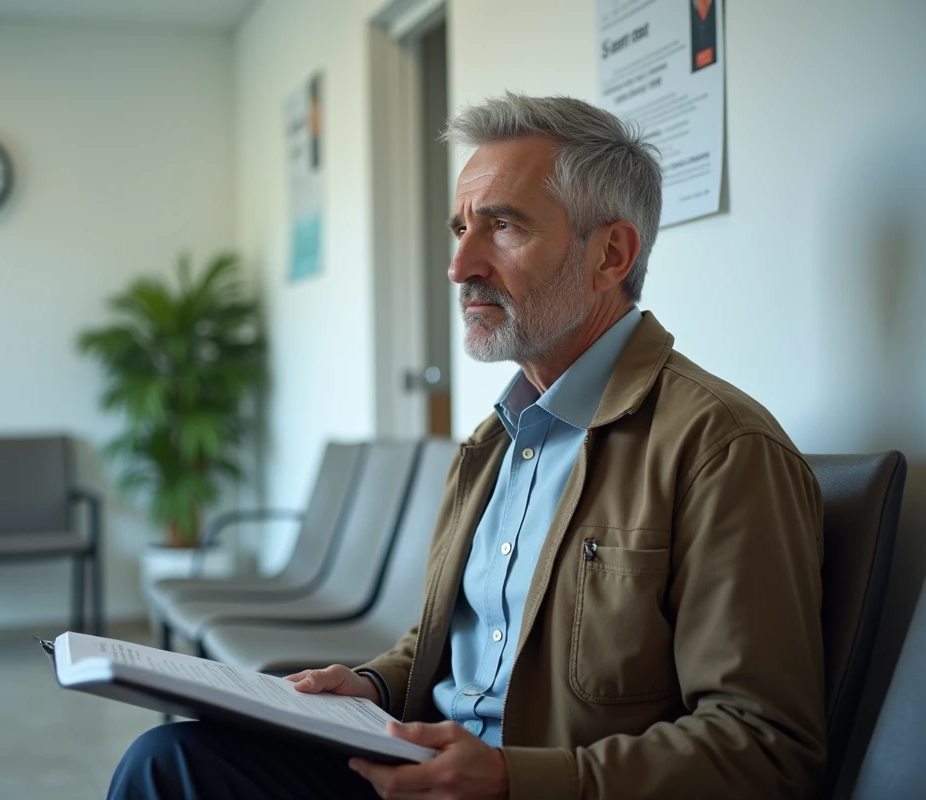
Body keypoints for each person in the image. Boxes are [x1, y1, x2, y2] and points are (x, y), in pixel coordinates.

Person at [108, 93, 826, 800]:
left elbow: (764, 747)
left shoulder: (719, 448)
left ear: (611, 253)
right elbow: (448, 643)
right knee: (169, 761)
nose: (460, 267)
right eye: (459, 230)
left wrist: (518, 779)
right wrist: (373, 682)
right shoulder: (492, 443)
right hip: (425, 770)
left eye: (503, 226)